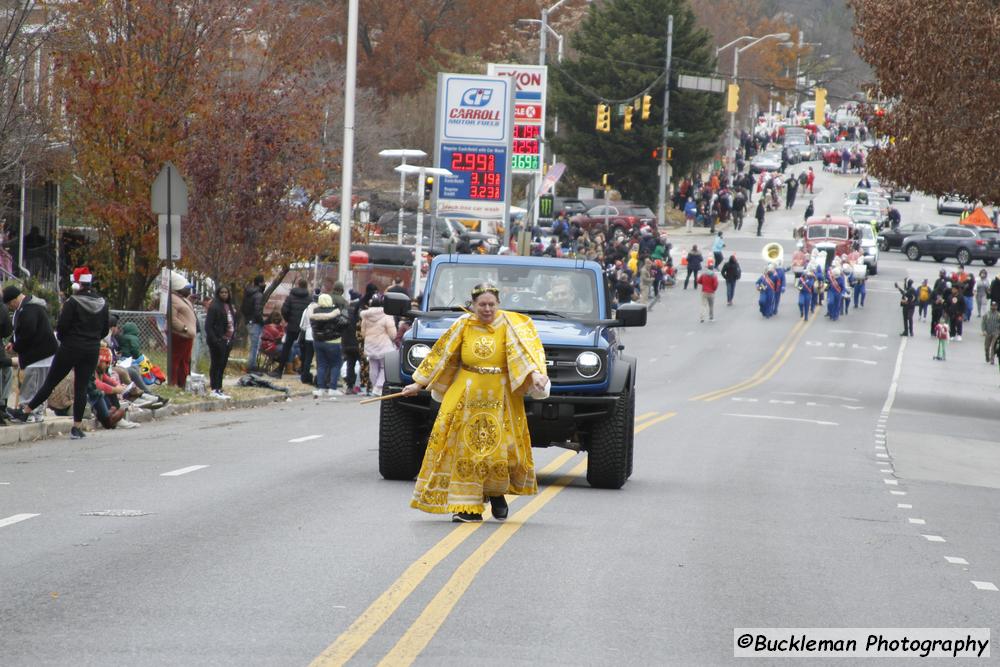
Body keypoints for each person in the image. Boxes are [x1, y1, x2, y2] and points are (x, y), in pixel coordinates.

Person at [401, 282, 548, 522]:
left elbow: (522, 355)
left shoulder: (510, 325)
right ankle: (465, 507)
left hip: (500, 397)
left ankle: (496, 494)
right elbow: (441, 354)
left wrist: (535, 377)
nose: (487, 309)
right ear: (473, 305)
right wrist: (418, 384)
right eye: (482, 305)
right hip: (465, 395)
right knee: (463, 449)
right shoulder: (463, 324)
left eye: (491, 304)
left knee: (498, 449)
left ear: (498, 304)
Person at [11, 267, 109, 440]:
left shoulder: (72, 302)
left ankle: (25, 411)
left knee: (51, 381)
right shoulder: (102, 303)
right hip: (91, 349)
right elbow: (104, 329)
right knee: (81, 387)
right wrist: (92, 339)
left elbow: (62, 328)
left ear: (77, 284)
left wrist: (67, 340)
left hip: (71, 347)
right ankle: (77, 427)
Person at [4, 285, 57, 418]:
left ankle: (28, 412)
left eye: (10, 304)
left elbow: (28, 332)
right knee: (35, 383)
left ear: (14, 300)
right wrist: (12, 341)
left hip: (39, 353)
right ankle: (33, 411)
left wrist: (16, 347)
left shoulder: (29, 309)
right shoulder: (25, 307)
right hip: (41, 351)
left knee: (32, 382)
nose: (10, 307)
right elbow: (19, 330)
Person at [205, 285, 237, 400]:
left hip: (228, 340)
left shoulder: (229, 306)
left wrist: (232, 338)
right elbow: (208, 326)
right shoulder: (214, 307)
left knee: (222, 365)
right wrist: (216, 340)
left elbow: (233, 322)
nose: (224, 294)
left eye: (226, 292)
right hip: (218, 340)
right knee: (216, 364)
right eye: (222, 292)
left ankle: (220, 387)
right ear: (218, 294)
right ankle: (214, 388)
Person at [309, 293, 345, 398]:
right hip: (333, 342)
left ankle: (321, 388)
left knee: (321, 365)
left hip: (318, 342)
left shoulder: (314, 312)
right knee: (335, 365)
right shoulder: (335, 313)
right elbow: (341, 326)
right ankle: (332, 388)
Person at [360, 295, 397, 397]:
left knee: (373, 367)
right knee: (384, 367)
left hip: (370, 344)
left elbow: (363, 333)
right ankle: (378, 387)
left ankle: (374, 387)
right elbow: (393, 334)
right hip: (383, 345)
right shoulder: (386, 315)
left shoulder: (366, 317)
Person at [274, 278, 311, 378]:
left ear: (298, 285)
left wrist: (288, 319)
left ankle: (279, 371)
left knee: (286, 347)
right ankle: (304, 371)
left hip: (292, 327)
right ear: (306, 286)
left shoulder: (291, 297)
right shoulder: (309, 298)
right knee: (304, 349)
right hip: (303, 329)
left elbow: (284, 310)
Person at [168, 272, 196, 388]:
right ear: (179, 288)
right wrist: (184, 328)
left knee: (184, 361)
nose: (189, 291)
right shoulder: (173, 299)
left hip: (187, 336)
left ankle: (182, 383)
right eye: (186, 288)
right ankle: (174, 382)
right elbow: (172, 318)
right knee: (176, 360)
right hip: (180, 335)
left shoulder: (182, 299)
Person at [242, 276, 266, 372]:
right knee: (255, 346)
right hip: (255, 322)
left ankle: (252, 365)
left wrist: (248, 318)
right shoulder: (258, 295)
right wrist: (262, 321)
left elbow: (243, 308)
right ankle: (251, 366)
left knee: (253, 345)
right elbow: (257, 311)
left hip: (248, 321)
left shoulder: (247, 293)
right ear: (260, 283)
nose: (265, 284)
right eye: (263, 282)